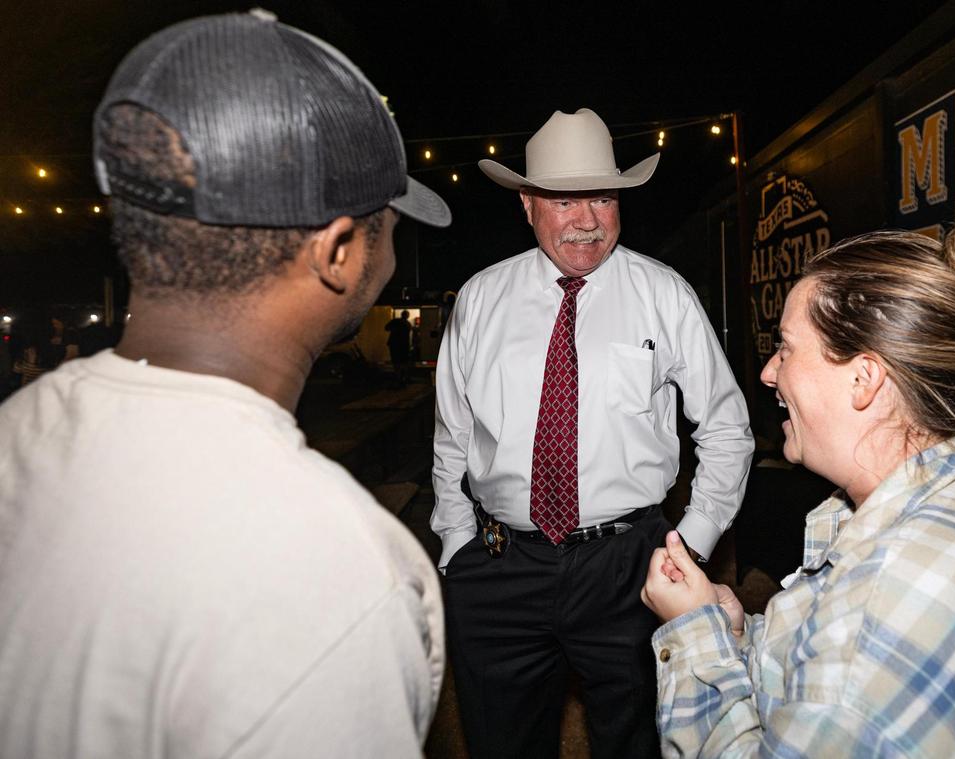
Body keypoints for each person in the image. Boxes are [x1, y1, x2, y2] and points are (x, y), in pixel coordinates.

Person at [0, 11, 451, 758]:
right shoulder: (333, 574)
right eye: (389, 225)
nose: (393, 252)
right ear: (339, 252)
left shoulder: (20, 429)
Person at [642, 207, 955, 757]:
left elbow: (850, 668)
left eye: (787, 347)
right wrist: (733, 632)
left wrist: (692, 636)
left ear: (865, 378)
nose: (769, 372)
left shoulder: (877, 610)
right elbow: (822, 684)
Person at [432, 108, 754, 758]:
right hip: (500, 566)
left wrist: (690, 545)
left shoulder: (663, 294)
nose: (587, 218)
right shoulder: (480, 299)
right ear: (526, 203)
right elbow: (451, 433)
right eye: (563, 199)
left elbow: (726, 426)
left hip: (630, 566)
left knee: (640, 741)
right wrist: (457, 545)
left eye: (603, 197)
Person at [386, 308, 413, 384]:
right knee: (403, 361)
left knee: (396, 361)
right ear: (407, 316)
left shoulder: (395, 321)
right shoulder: (408, 324)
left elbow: (386, 328)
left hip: (394, 344)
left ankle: (398, 376)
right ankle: (402, 377)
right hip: (403, 345)